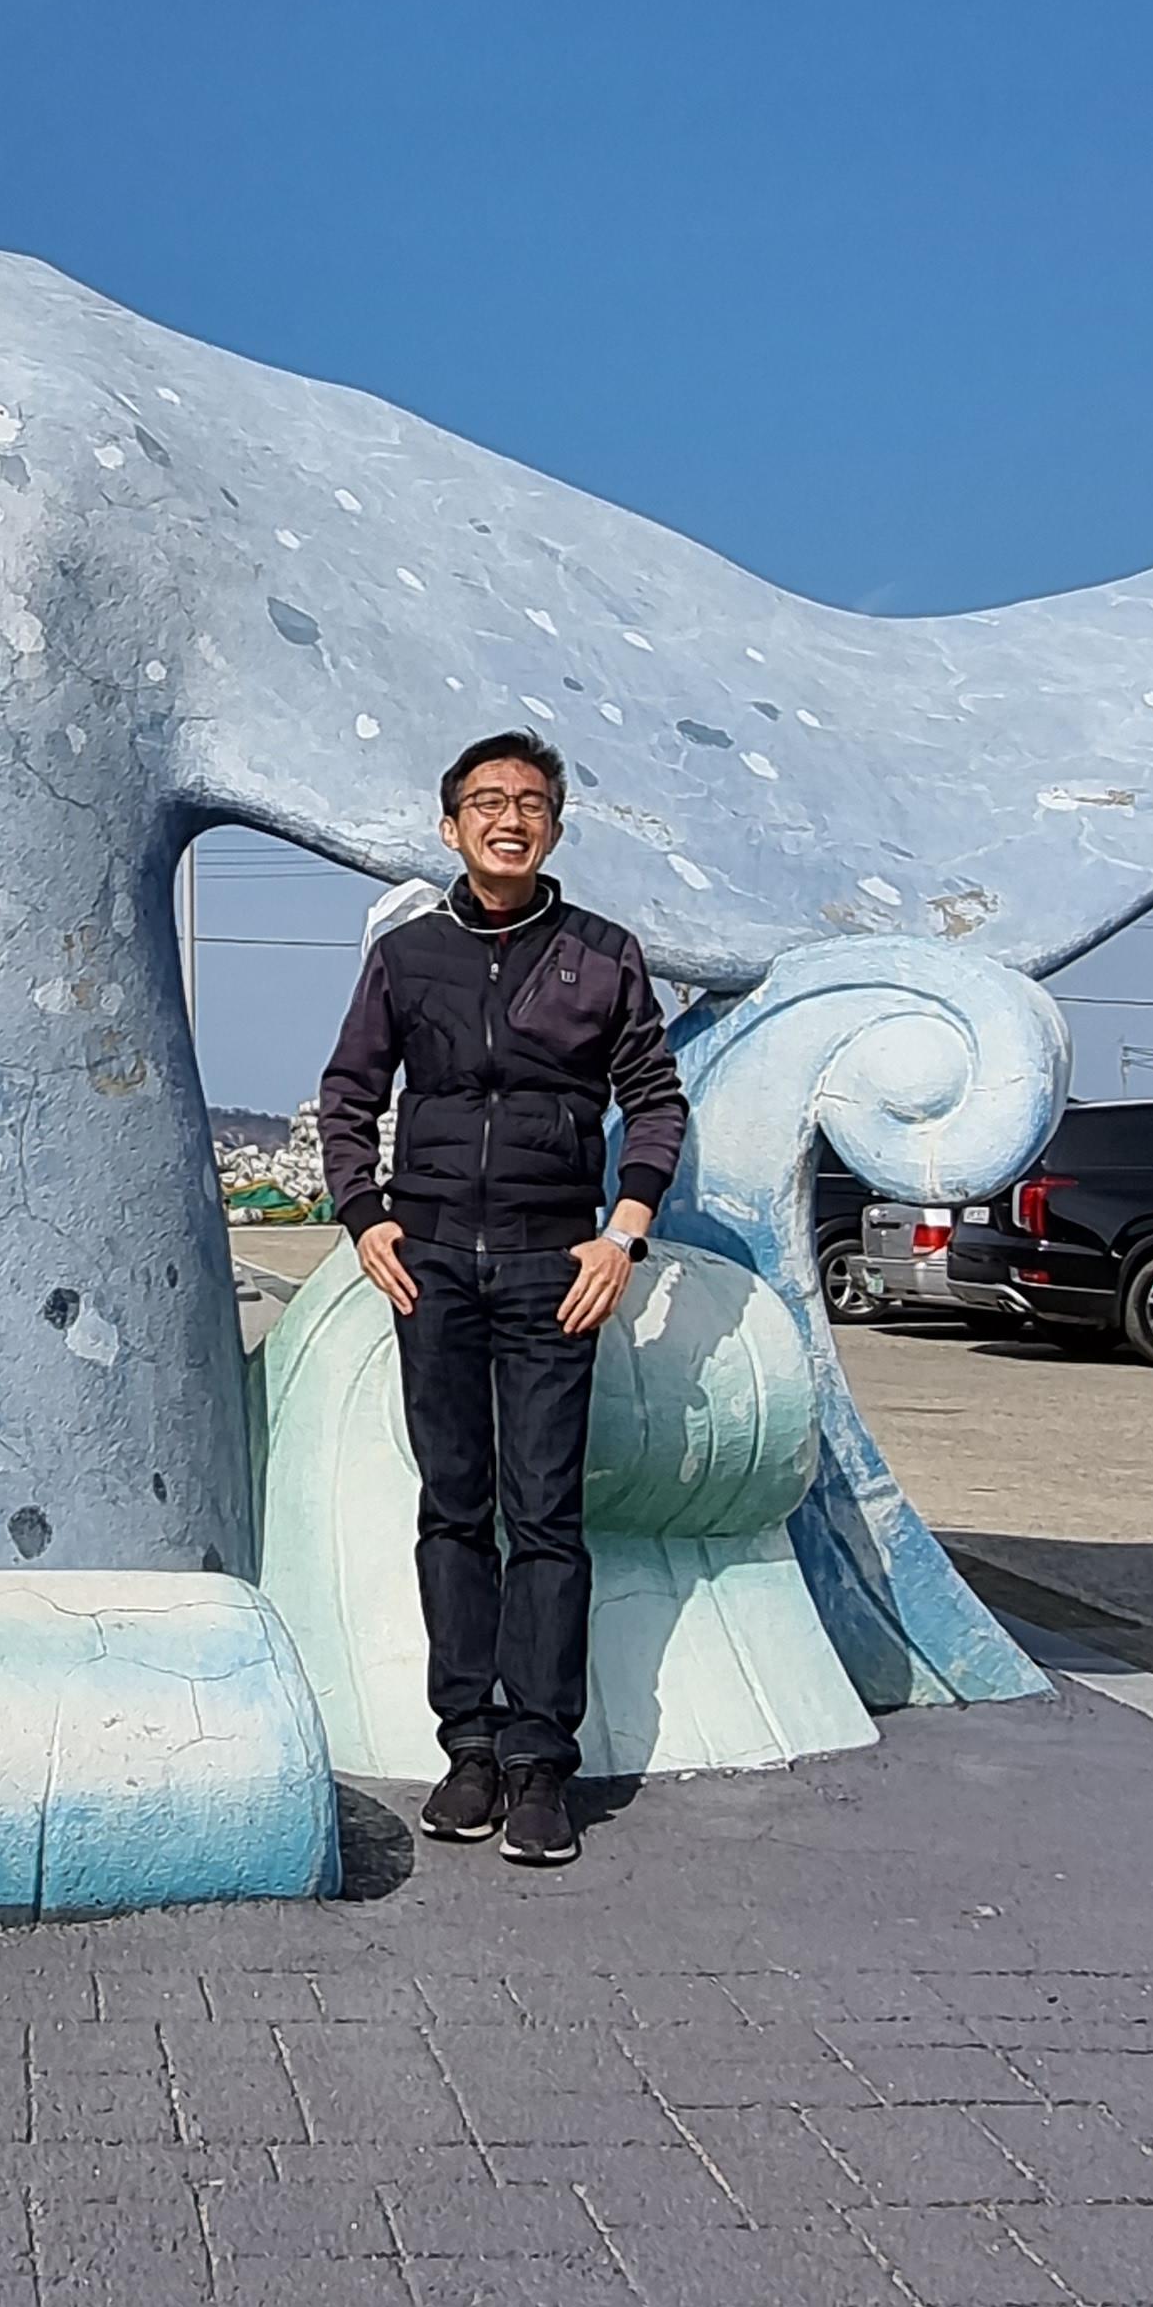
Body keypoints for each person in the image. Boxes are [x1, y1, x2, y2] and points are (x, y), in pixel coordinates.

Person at [316, 734, 689, 1869]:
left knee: (545, 1515)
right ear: (451, 827)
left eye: (530, 803)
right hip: (431, 1263)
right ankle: (468, 1747)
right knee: (452, 1508)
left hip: (551, 1269)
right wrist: (364, 1214)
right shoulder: (408, 956)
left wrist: (623, 1235)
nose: (508, 818)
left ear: (555, 829)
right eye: (486, 802)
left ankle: (538, 1764)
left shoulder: (603, 955)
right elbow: (348, 1092)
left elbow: (656, 1102)